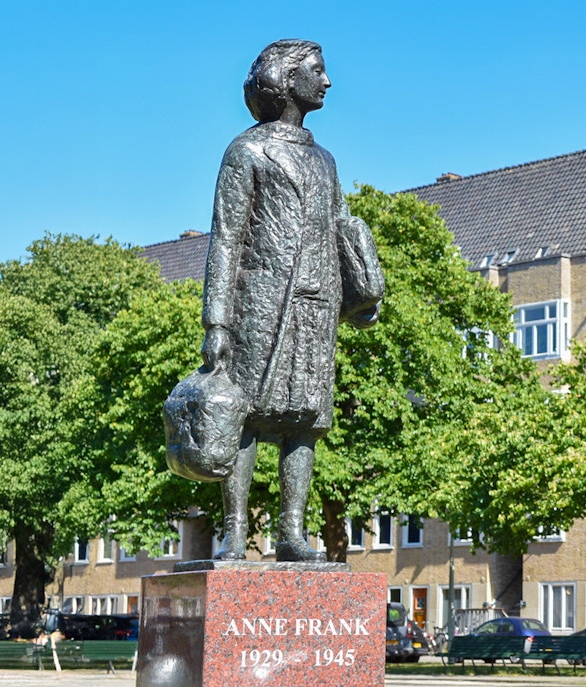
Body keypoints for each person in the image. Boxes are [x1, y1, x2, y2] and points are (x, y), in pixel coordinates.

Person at [200, 39, 381, 562]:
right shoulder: (246, 150)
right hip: (258, 300)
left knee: (307, 416)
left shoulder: (324, 160)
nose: (327, 82)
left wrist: (362, 285)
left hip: (317, 299)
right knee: (247, 412)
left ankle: (291, 532)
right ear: (286, 79)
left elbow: (341, 226)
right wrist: (216, 320)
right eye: (318, 72)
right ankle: (235, 532)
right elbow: (227, 237)